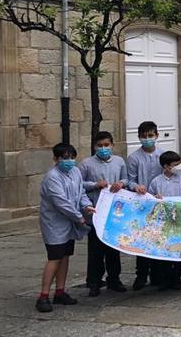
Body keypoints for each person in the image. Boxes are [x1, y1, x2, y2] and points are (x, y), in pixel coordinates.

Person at [36, 143, 95, 313]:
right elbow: (61, 202)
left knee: (65, 256)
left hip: (69, 222)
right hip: (55, 223)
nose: (69, 161)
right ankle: (43, 295)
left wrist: (86, 206)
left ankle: (60, 291)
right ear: (56, 159)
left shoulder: (75, 171)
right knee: (55, 257)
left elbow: (80, 192)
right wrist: (79, 218)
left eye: (71, 157)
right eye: (64, 158)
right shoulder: (52, 177)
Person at [79, 131, 128, 296]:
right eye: (100, 146)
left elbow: (126, 179)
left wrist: (120, 183)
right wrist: (95, 184)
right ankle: (94, 281)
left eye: (106, 145)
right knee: (95, 250)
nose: (103, 148)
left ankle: (114, 279)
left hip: (114, 212)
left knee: (113, 248)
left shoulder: (119, 162)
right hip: (95, 212)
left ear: (112, 145)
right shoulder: (86, 164)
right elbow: (79, 184)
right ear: (94, 147)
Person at [148, 151, 181, 291]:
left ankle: (176, 278)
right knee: (164, 250)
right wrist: (155, 197)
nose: (179, 167)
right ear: (166, 166)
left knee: (177, 248)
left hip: (178, 221)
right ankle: (165, 279)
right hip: (162, 222)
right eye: (175, 165)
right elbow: (150, 197)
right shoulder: (156, 181)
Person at [126, 120, 163, 291]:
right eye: (144, 136)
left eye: (150, 136)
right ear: (139, 137)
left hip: (159, 202)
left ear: (156, 135)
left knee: (158, 238)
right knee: (141, 239)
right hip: (141, 203)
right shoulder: (134, 158)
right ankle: (141, 275)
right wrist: (136, 187)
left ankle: (158, 274)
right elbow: (130, 180)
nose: (147, 139)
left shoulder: (163, 155)